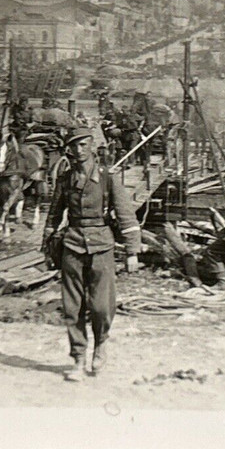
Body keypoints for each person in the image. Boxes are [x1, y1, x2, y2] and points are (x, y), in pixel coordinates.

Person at [42, 128, 141, 382]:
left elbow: (126, 215)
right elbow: (54, 215)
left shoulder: (107, 177)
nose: (78, 150)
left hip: (102, 246)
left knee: (100, 305)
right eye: (73, 146)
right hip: (72, 245)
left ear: (92, 146)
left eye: (83, 144)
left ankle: (101, 344)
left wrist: (132, 251)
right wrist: (47, 248)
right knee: (72, 306)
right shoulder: (64, 179)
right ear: (69, 149)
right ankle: (78, 358)